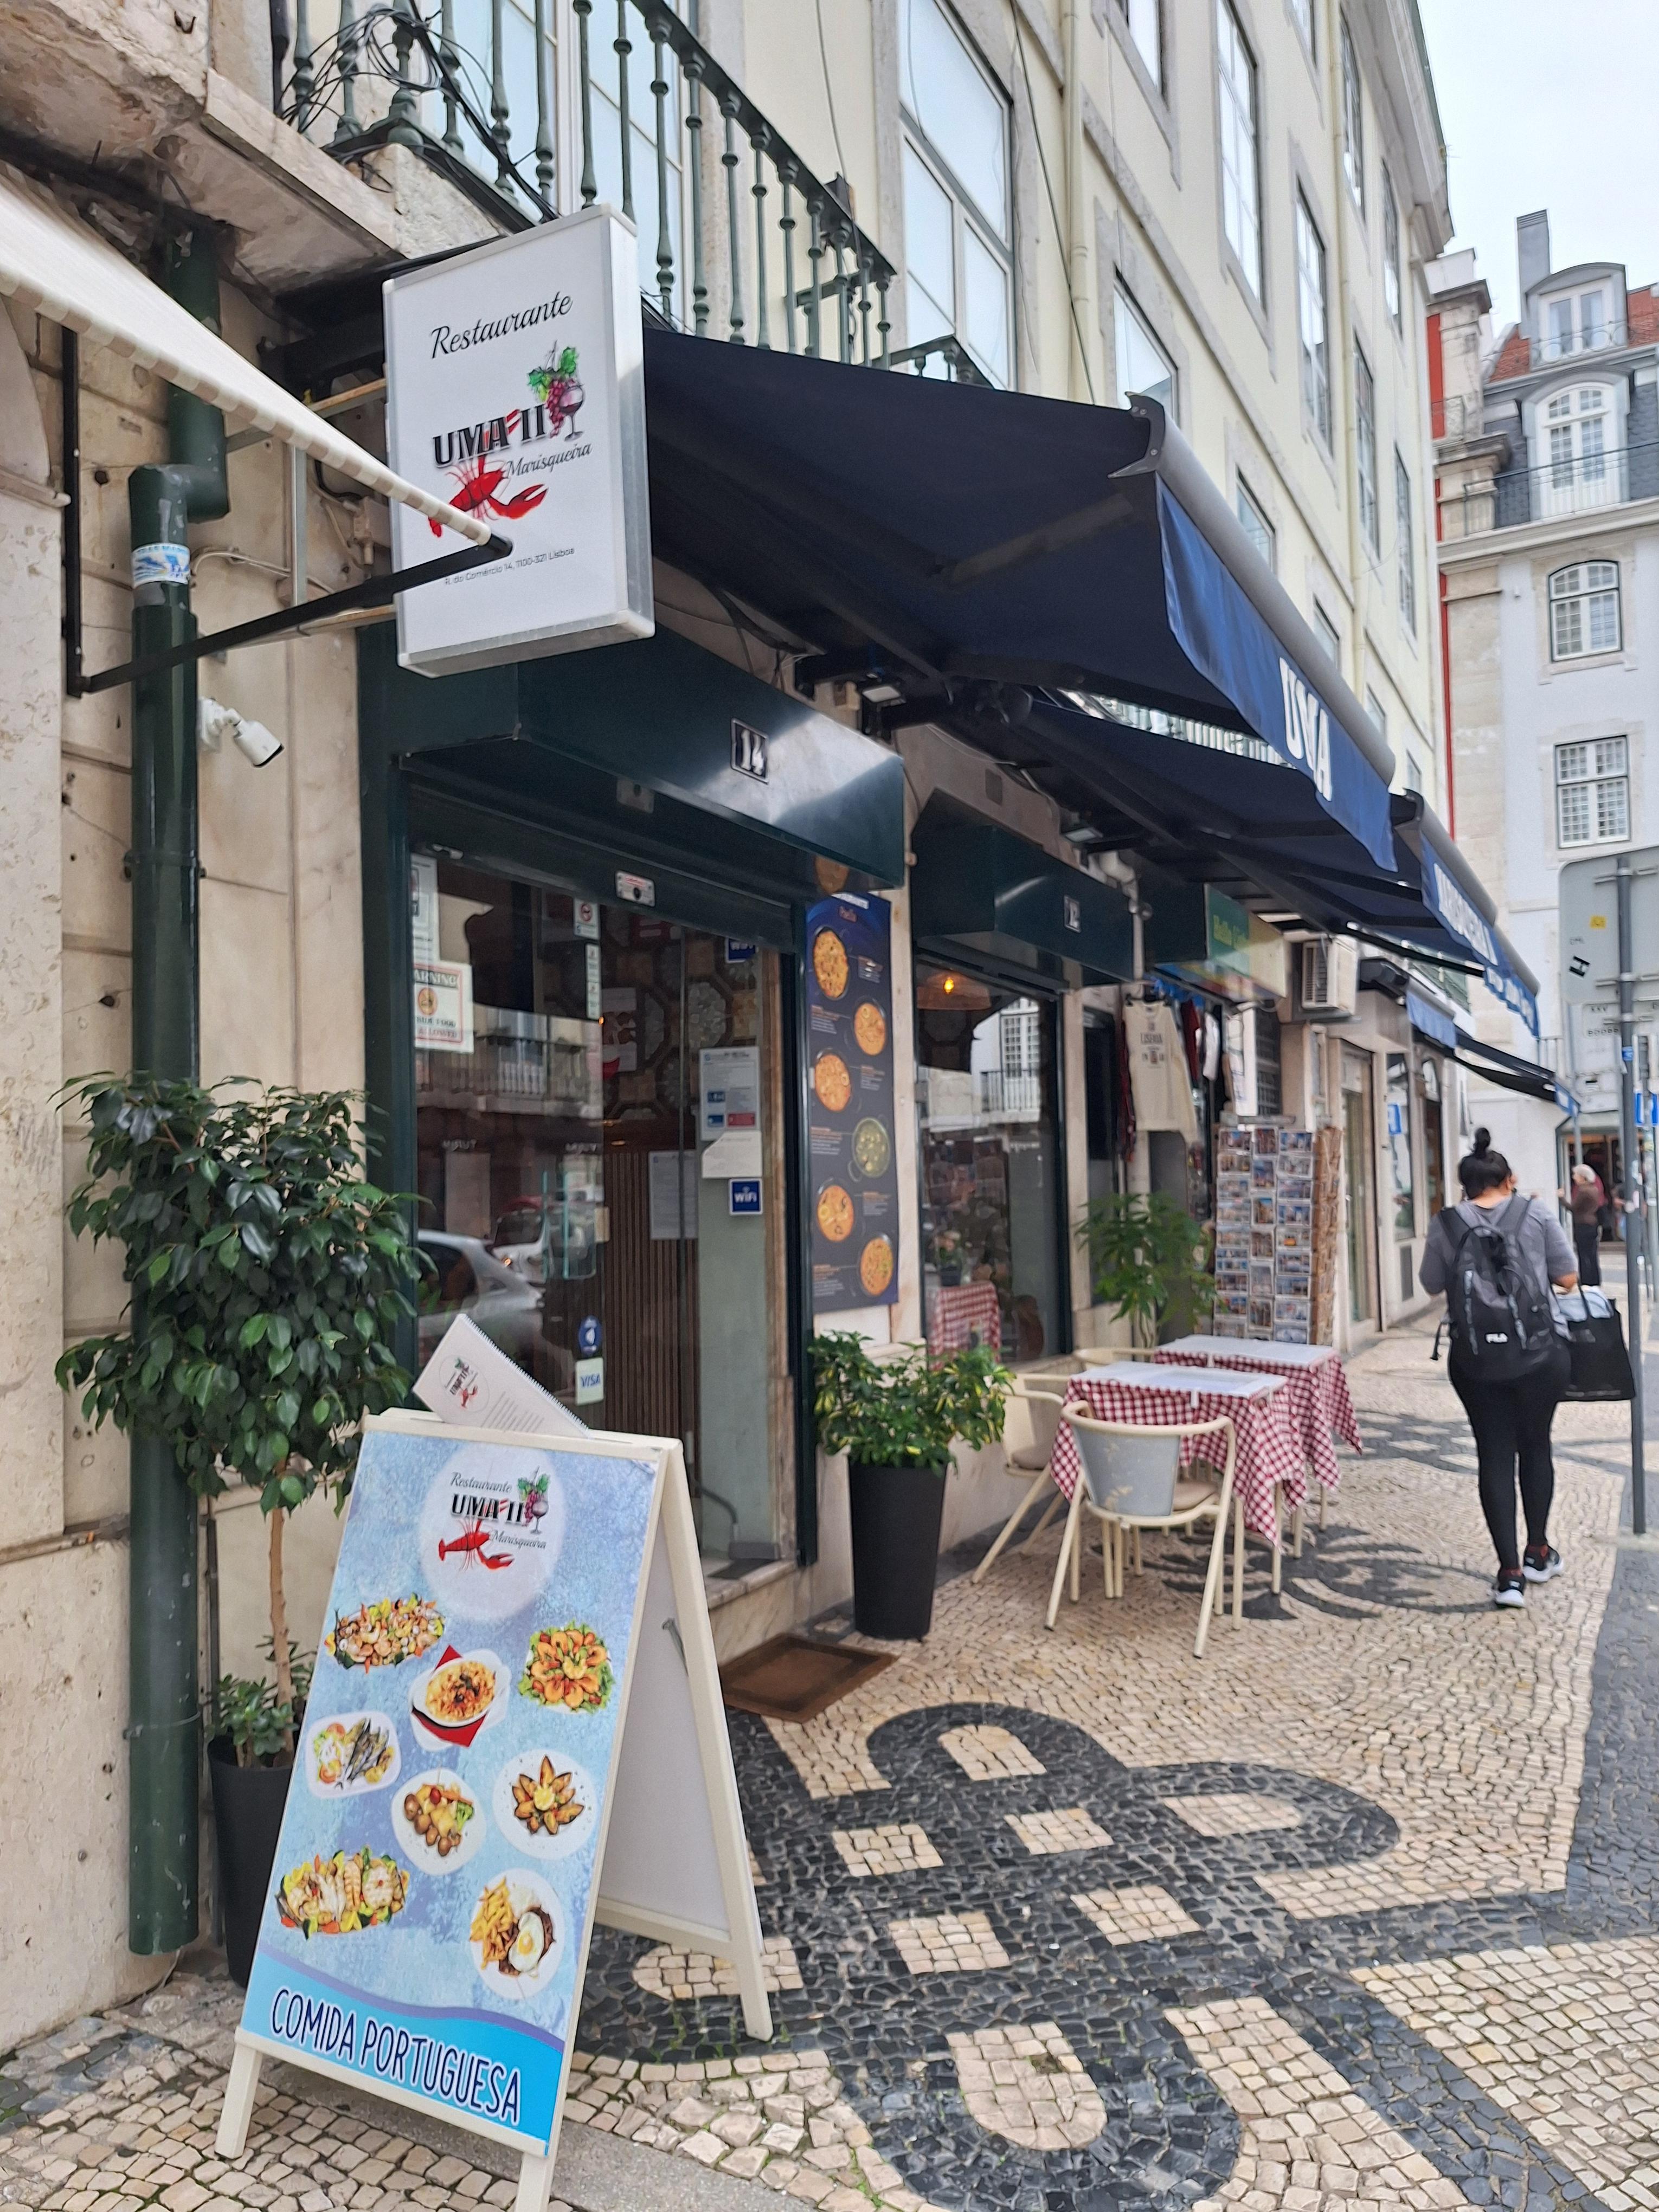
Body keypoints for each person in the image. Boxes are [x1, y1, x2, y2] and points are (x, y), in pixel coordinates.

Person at [1420, 1130, 1578, 1610]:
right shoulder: (1536, 1213)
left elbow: (1430, 1284)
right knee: (1536, 1445)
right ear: (1509, 1179)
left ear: (1464, 1186)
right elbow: (1568, 1278)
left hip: (1475, 1362)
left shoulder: (1446, 1222)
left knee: (1493, 1454)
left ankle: (1509, 1576)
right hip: (1539, 1356)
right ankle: (1538, 1553)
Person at [1560, 1162, 1604, 1286]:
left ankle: (1586, 1280)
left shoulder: (1583, 1191)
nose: (1574, 1177)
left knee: (1583, 1254)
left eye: (1576, 1175)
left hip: (1583, 1225)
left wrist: (1561, 1198)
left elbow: (1573, 1207)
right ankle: (1595, 1280)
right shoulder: (1594, 1189)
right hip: (1592, 1223)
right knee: (1592, 1254)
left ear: (1583, 1177)